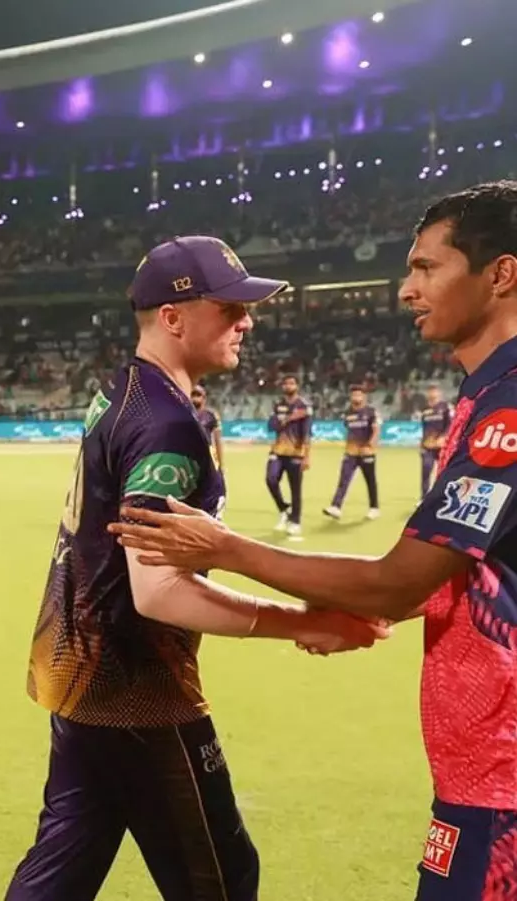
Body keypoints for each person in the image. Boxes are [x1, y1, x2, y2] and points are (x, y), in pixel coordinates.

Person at [107, 182, 517, 901]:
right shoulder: (487, 394)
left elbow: (400, 578)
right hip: (482, 766)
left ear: (501, 273)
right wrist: (349, 612)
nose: (406, 290)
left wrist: (224, 548)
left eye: (427, 268)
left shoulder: (506, 404)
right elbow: (456, 575)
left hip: (502, 776)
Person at [9, 236, 389, 901]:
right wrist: (299, 621)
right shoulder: (167, 425)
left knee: (61, 871)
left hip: (81, 677)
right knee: (223, 878)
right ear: (173, 316)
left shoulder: (124, 391)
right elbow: (157, 592)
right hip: (140, 690)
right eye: (229, 308)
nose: (247, 322)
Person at [324, 384, 381, 521]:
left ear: (364, 396)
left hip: (367, 452)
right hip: (350, 453)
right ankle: (336, 507)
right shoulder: (348, 413)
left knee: (370, 480)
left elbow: (376, 430)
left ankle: (374, 508)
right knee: (344, 479)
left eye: (359, 394)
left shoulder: (371, 412)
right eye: (354, 395)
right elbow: (349, 430)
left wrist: (370, 445)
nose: (356, 397)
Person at [266, 374, 312, 539]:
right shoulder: (278, 405)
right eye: (286, 383)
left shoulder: (304, 406)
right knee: (271, 480)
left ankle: (295, 522)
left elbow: (307, 434)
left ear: (297, 386)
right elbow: (271, 426)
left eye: (292, 383)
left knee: (295, 489)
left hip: (296, 452)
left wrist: (307, 456)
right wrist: (289, 418)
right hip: (278, 451)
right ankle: (284, 510)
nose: (288, 386)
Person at [192, 383, 225, 506]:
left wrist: (221, 464)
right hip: (189, 458)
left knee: (216, 488)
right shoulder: (184, 412)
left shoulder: (211, 415)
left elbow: (218, 440)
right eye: (193, 394)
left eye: (198, 395)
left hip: (208, 457)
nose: (195, 398)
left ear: (204, 398)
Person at [419, 382, 453, 496]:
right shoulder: (424, 409)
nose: (432, 393)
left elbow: (451, 424)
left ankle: (443, 495)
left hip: (442, 445)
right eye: (430, 391)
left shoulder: (445, 407)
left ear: (439, 393)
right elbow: (424, 427)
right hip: (428, 445)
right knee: (426, 469)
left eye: (434, 391)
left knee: (444, 471)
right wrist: (422, 442)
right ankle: (424, 497)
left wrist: (443, 437)